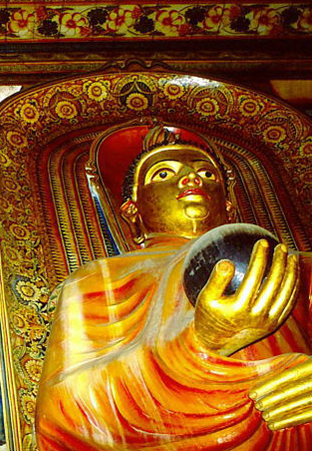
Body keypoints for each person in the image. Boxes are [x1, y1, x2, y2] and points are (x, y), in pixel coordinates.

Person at [36, 124, 312, 451]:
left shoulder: (299, 266)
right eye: (163, 173)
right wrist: (202, 344)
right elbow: (61, 414)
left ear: (229, 205)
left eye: (208, 174)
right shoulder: (100, 277)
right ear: (132, 209)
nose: (192, 180)